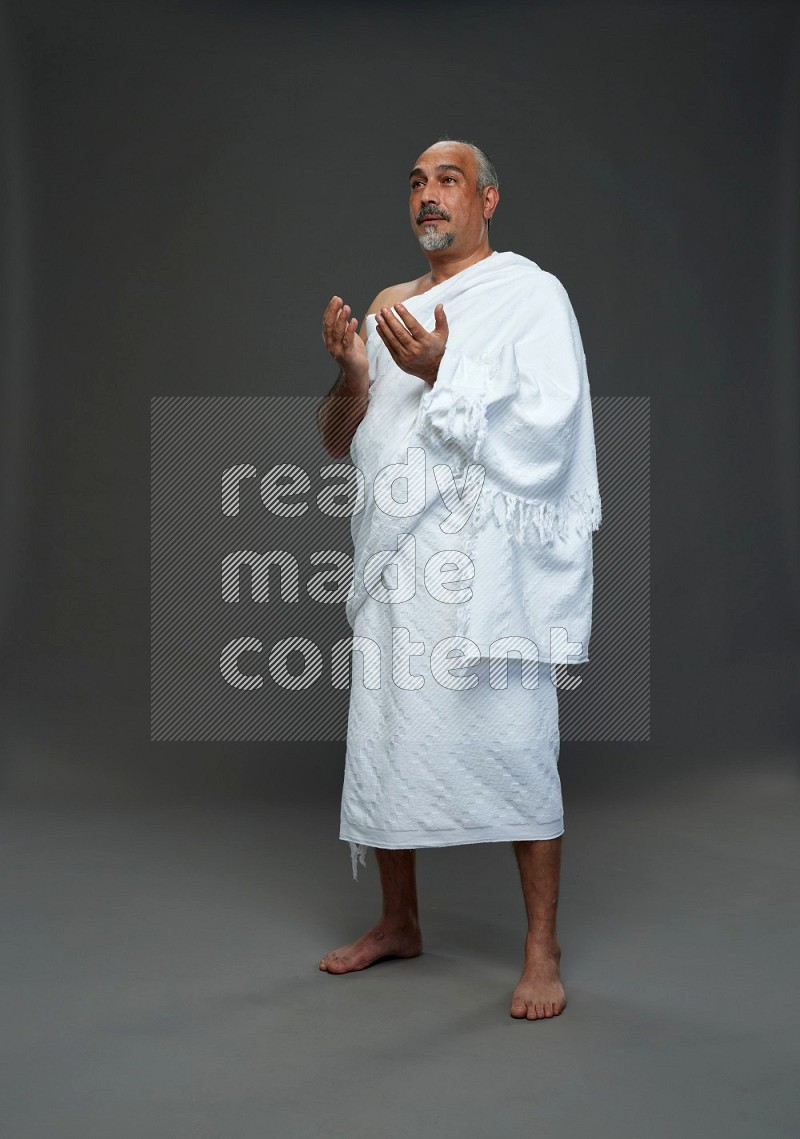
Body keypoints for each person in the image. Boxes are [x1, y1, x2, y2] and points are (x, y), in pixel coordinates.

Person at [316, 139, 601, 1020]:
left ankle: (540, 947)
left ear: (487, 200)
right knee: (388, 731)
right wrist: (353, 374)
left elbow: (551, 420)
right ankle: (398, 920)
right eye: (416, 182)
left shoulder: (529, 295)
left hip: (489, 569)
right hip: (400, 560)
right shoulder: (389, 304)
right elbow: (338, 441)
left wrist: (447, 372)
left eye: (447, 181)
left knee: (517, 743)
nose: (429, 196)